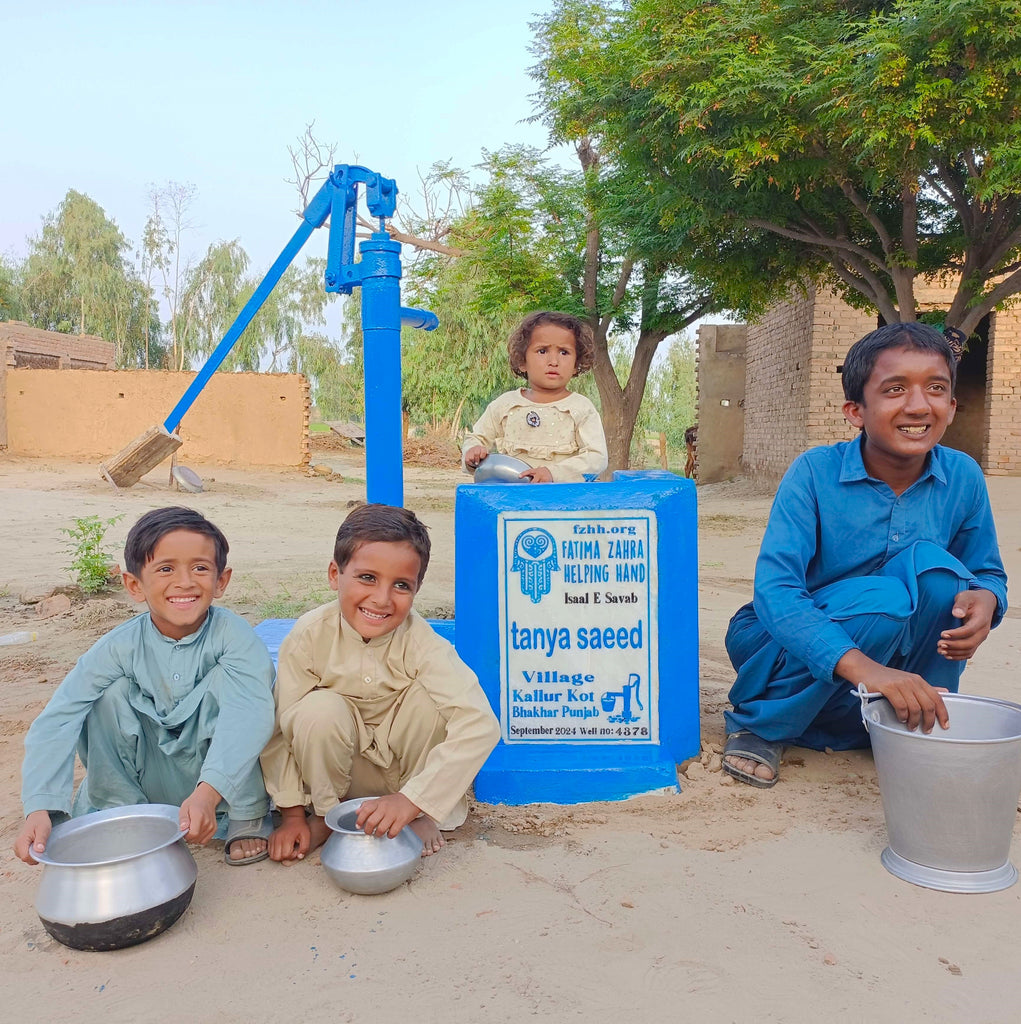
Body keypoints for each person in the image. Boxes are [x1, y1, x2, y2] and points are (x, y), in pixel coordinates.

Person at [723, 322, 1008, 788]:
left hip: (886, 646)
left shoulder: (964, 476)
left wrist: (988, 600)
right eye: (895, 389)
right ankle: (764, 724)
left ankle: (913, 719)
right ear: (855, 411)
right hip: (781, 646)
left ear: (952, 407)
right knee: (887, 601)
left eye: (936, 388)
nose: (918, 405)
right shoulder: (814, 472)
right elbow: (777, 593)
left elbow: (986, 570)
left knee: (944, 581)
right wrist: (867, 670)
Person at [14, 507, 276, 866]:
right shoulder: (118, 647)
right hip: (150, 778)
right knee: (109, 695)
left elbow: (250, 717)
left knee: (242, 696)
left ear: (221, 580)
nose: (184, 582)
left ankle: (247, 815)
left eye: (200, 568)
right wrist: (38, 807)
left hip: (226, 786)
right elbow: (58, 719)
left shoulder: (235, 638)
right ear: (134, 585)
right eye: (166, 569)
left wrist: (208, 793)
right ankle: (127, 816)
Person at [260, 503, 500, 863]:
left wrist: (414, 800)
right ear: (334, 574)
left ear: (417, 589)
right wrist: (292, 813)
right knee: (315, 710)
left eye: (401, 585)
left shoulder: (424, 644)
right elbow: (279, 730)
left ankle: (418, 815)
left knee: (430, 702)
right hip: (336, 777)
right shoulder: (309, 636)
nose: (382, 599)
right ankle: (329, 815)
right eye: (367, 578)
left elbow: (480, 724)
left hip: (404, 784)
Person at [462, 311, 608, 483]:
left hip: (563, 502)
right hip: (512, 501)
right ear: (522, 361)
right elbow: (476, 437)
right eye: (542, 351)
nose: (553, 361)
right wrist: (473, 453)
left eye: (564, 352)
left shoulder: (581, 408)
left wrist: (553, 473)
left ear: (576, 364)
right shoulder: (506, 405)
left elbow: (596, 457)